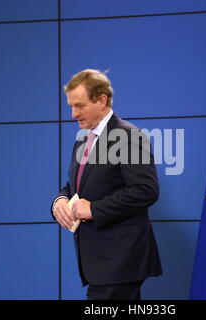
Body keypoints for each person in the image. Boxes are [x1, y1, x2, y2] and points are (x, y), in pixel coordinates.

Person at [51, 69, 162, 300]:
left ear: (102, 100)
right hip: (99, 261)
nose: (73, 114)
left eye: (79, 106)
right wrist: (60, 200)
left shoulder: (128, 135)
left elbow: (145, 191)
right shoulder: (84, 139)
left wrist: (93, 209)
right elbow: (74, 186)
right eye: (71, 106)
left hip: (120, 258)